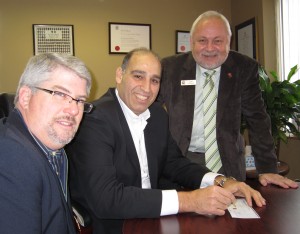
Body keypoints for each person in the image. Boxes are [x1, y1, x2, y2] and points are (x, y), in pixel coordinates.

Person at [66, 47, 266, 234]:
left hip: (153, 217)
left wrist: (220, 180)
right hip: (114, 225)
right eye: (138, 76)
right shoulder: (94, 120)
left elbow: (174, 163)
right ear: (120, 75)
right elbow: (106, 199)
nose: (146, 88)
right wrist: (190, 201)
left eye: (155, 80)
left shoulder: (156, 115)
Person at [157, 10, 299, 188]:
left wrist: (267, 167)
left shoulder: (244, 68)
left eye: (217, 41)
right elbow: (150, 112)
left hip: (226, 162)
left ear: (228, 42)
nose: (209, 48)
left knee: (233, 214)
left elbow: (257, 119)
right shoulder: (170, 68)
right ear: (191, 42)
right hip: (181, 161)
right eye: (202, 40)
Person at [0, 53, 93, 234]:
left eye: (80, 100)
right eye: (59, 94)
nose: (74, 109)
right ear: (26, 97)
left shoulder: (51, 148)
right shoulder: (11, 158)